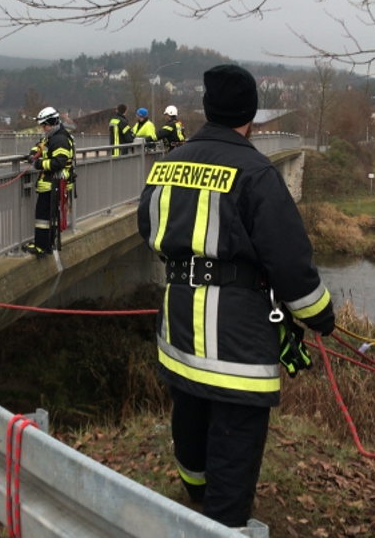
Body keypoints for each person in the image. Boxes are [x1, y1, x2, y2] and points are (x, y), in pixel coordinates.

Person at [137, 64, 336, 529]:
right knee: (235, 445)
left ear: (207, 108)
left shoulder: (168, 164)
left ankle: (195, 498)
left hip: (179, 329)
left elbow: (148, 227)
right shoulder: (257, 172)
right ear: (250, 116)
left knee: (189, 420)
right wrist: (321, 315)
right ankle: (224, 523)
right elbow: (290, 261)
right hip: (237, 343)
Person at [23, 107, 74, 256]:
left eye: (44, 125)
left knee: (43, 217)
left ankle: (41, 246)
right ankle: (48, 244)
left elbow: (58, 162)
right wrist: (32, 155)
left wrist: (38, 163)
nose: (43, 128)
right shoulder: (52, 136)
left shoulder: (60, 140)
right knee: (50, 217)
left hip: (53, 184)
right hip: (52, 184)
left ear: (52, 123)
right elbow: (39, 147)